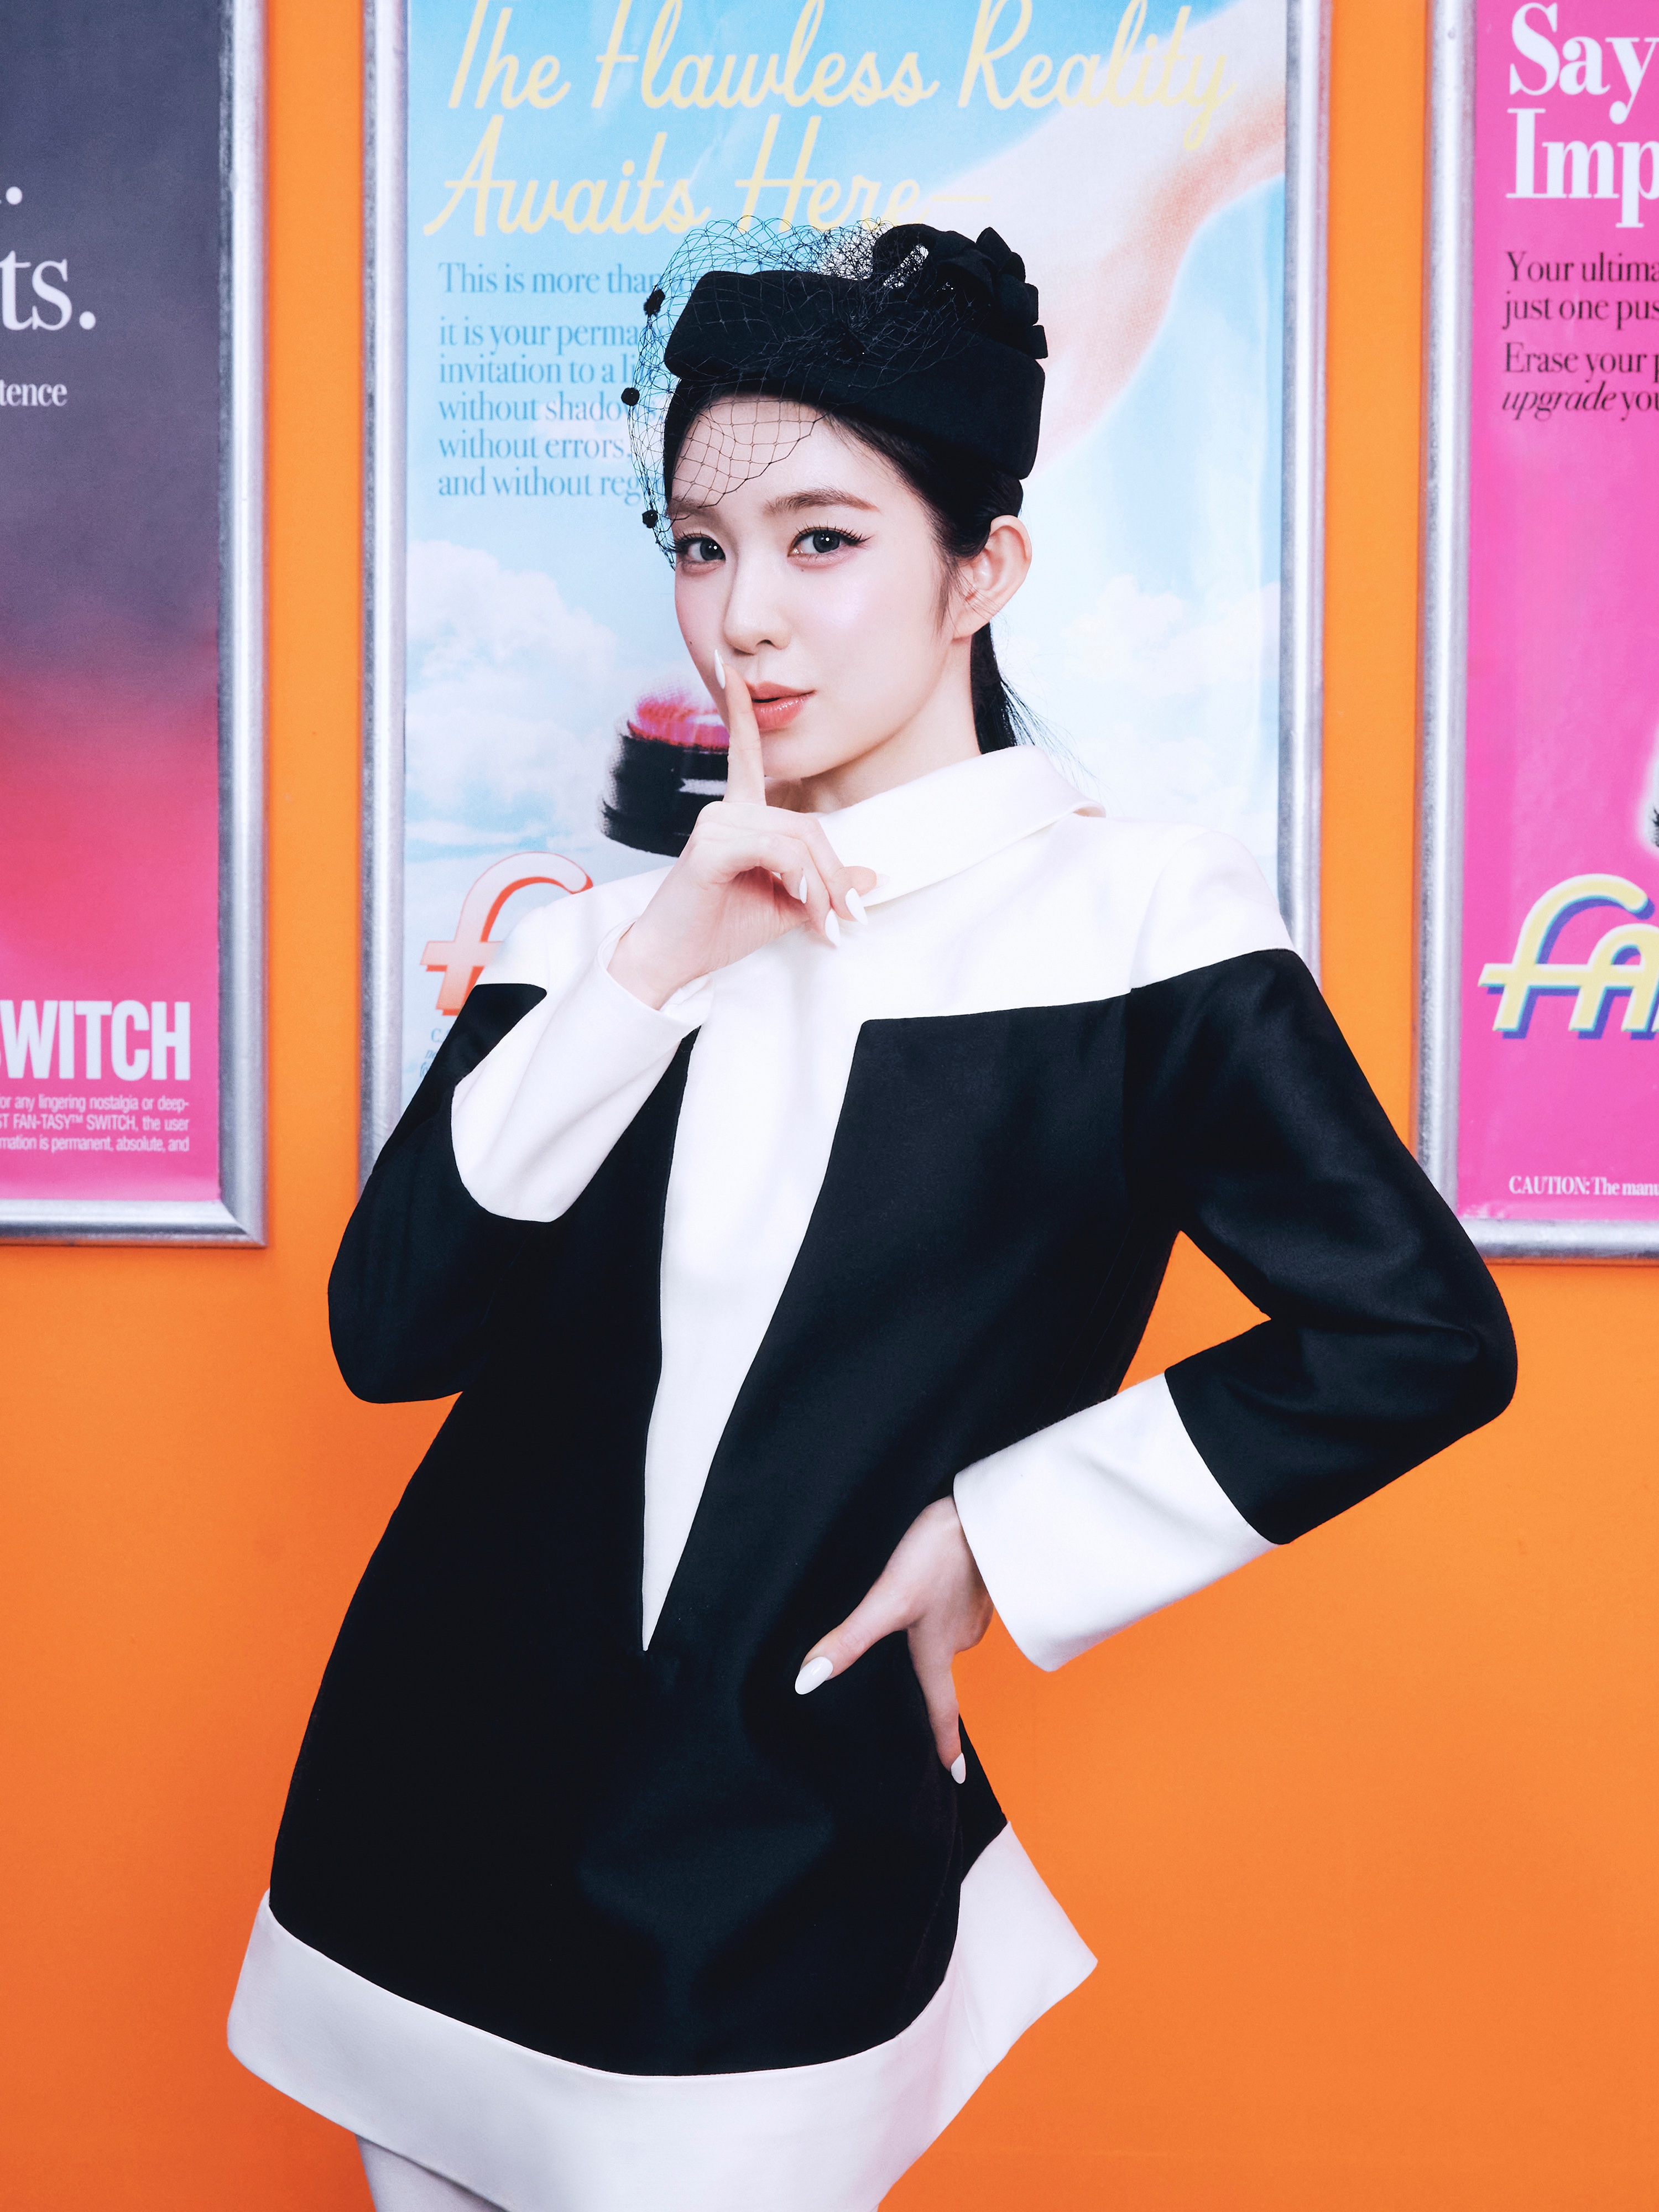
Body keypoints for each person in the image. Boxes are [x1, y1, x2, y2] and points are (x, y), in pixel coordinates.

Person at [228, 224, 1515, 2212]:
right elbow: (391, 1337)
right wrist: (657, 964)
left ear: (982, 569)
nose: (743, 616)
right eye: (699, 547)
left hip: (769, 1844)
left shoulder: (1137, 926)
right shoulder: (600, 935)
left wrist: (995, 1538)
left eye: (822, 541)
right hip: (433, 1810)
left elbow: (1418, 1334)